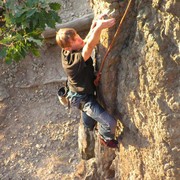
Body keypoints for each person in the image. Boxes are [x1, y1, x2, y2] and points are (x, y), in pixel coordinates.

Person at [56, 14, 118, 148]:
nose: (80, 39)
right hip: (82, 98)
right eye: (76, 40)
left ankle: (88, 125)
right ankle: (105, 137)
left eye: (77, 36)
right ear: (68, 48)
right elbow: (89, 46)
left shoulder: (68, 48)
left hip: (81, 90)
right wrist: (99, 28)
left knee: (88, 122)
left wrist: (93, 27)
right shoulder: (72, 63)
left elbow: (84, 42)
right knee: (109, 123)